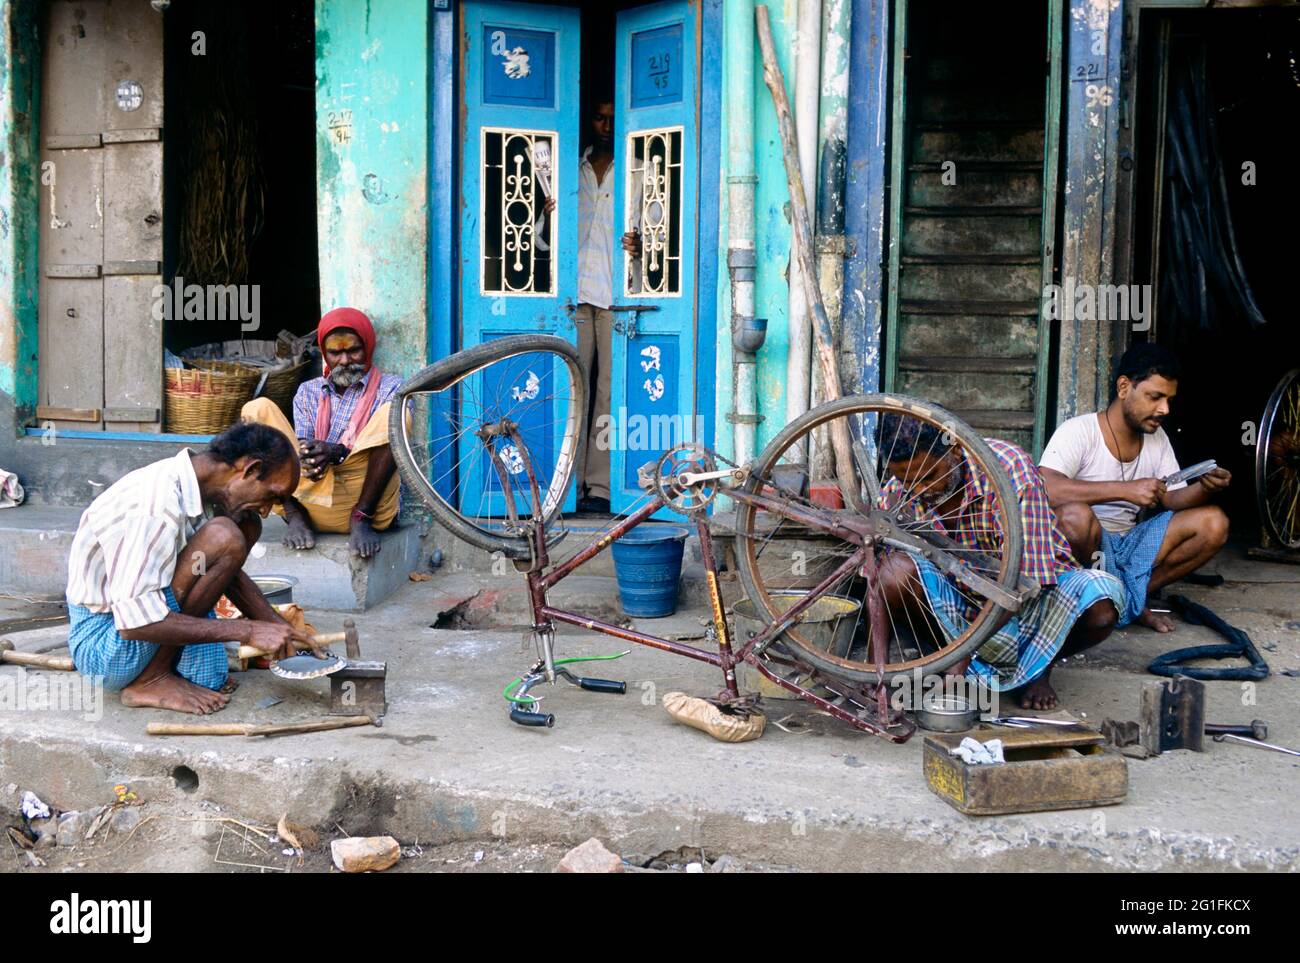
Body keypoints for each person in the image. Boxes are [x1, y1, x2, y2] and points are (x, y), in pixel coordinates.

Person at [65, 423, 324, 715]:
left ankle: (160, 669)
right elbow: (133, 624)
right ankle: (151, 679)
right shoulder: (153, 507)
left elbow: (223, 573)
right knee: (224, 536)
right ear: (250, 470)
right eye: (272, 496)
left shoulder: (201, 491)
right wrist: (248, 630)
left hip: (150, 624)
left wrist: (279, 628)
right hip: (107, 645)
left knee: (244, 525)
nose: (267, 510)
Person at [875, 415, 1126, 710]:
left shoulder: (1007, 468)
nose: (918, 491)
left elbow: (1027, 579)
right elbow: (875, 582)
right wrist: (873, 678)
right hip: (960, 603)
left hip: (1030, 601)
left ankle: (1037, 669)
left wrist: (961, 658)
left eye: (929, 478)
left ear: (955, 450)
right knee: (892, 571)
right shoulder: (897, 490)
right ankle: (948, 661)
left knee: (1102, 607)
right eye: (907, 481)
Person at [1038, 343, 1231, 632]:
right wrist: (1124, 490)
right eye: (1155, 397)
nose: (1164, 409)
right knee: (1075, 518)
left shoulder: (1157, 438)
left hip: (1131, 544)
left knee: (1214, 522)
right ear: (1125, 387)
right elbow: (1044, 487)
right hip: (1088, 545)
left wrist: (1207, 487)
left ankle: (1130, 599)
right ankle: (1098, 597)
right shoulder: (1079, 431)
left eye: (1168, 400)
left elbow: (1172, 498)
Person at [542, 98, 642, 513]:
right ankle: (567, 483)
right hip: (573, 293)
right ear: (587, 121)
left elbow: (659, 227)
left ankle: (600, 486)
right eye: (599, 118)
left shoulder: (638, 171)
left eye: (612, 119)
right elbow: (540, 240)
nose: (605, 125)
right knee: (571, 388)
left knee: (607, 391)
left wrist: (640, 248)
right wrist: (548, 216)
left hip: (617, 294)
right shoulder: (568, 168)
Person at [242, 307, 404, 558]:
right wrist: (310, 454)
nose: (345, 360)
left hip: (366, 503)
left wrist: (336, 451)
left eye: (353, 350)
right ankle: (293, 515)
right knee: (257, 409)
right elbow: (301, 449)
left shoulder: (391, 387)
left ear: (368, 347)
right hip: (311, 504)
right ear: (325, 355)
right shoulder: (308, 391)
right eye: (335, 353)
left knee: (395, 413)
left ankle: (361, 518)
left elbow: (386, 444)